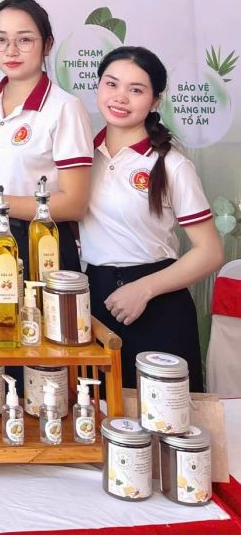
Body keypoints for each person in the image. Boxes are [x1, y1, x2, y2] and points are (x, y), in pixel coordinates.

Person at [80, 47, 222, 389]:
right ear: (98, 87)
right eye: (111, 84)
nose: (120, 97)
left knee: (164, 413)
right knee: (96, 411)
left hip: (157, 304)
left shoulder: (171, 164)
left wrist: (143, 289)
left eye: (136, 89)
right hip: (93, 301)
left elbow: (210, 252)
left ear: (155, 100)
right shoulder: (81, 155)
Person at [0, 0, 94, 270]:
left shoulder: (65, 108)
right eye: (0, 40)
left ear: (47, 45)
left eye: (25, 40)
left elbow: (74, 204)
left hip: (41, 241)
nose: (11, 51)